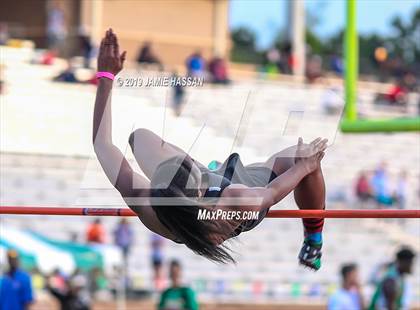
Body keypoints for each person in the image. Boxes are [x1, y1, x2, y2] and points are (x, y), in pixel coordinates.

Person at [93, 29, 328, 270]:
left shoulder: (149, 207)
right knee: (302, 159)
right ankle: (314, 239)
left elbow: (102, 146)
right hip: (245, 187)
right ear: (196, 192)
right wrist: (306, 165)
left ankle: (209, 170)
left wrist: (105, 77)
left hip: (206, 193)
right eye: (190, 166)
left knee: (138, 137)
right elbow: (272, 191)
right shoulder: (235, 201)